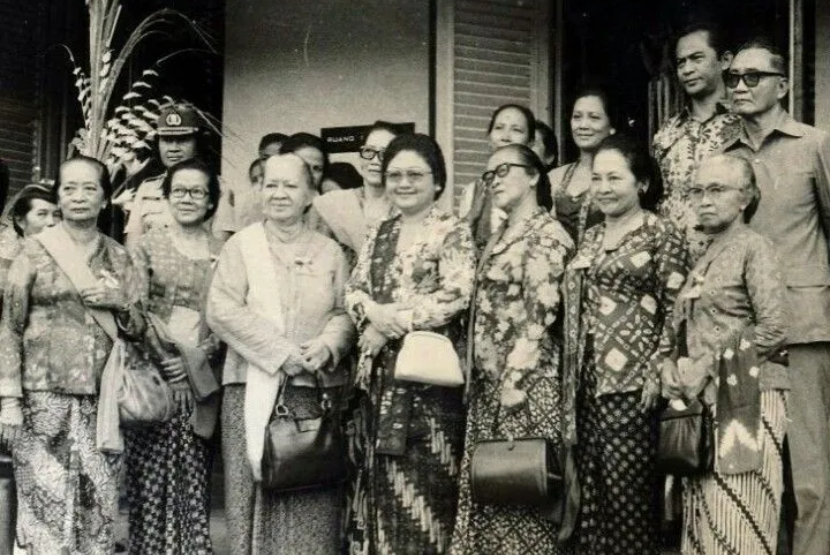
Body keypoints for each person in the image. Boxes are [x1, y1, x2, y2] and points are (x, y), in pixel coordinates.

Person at [207, 153, 355, 554]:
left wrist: (329, 344)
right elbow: (221, 308)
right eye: (271, 184)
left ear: (309, 195)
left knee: (308, 497)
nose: (279, 193)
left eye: (290, 185)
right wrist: (279, 352)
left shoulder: (330, 252)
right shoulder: (243, 246)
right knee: (249, 492)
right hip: (250, 387)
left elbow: (345, 311)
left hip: (312, 390)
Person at [0, 156, 144, 554]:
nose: (79, 197)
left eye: (89, 188)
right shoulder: (31, 252)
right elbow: (9, 327)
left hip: (103, 403)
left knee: (98, 507)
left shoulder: (118, 256)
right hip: (41, 401)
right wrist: (9, 401)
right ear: (59, 198)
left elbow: (139, 328)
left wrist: (118, 301)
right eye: (69, 188)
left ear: (104, 199)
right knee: (42, 507)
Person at [722, 38, 830, 555]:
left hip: (806, 326)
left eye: (752, 77)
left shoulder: (815, 145)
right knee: (755, 469)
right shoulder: (722, 158)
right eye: (733, 78)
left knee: (811, 474)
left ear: (782, 85)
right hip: (744, 335)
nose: (739, 86)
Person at [344, 133, 476, 554]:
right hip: (379, 384)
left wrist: (393, 321)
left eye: (415, 175)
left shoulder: (451, 231)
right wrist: (372, 314)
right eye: (395, 174)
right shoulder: (380, 231)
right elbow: (353, 290)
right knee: (378, 491)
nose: (403, 182)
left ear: (437, 181)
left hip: (428, 386)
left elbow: (456, 295)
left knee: (427, 492)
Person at [562, 134, 688, 555]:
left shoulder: (661, 232)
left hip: (634, 385)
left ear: (642, 184)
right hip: (587, 383)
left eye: (615, 178)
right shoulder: (591, 237)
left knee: (630, 498)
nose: (603, 188)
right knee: (592, 496)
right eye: (596, 178)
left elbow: (677, 307)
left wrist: (659, 366)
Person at [660, 154, 789, 554]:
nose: (704, 200)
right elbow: (682, 330)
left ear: (746, 197)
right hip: (706, 408)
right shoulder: (708, 255)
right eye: (697, 190)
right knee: (706, 521)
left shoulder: (755, 247)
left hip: (747, 400)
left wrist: (709, 367)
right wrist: (667, 364)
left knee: (738, 523)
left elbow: (775, 328)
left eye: (717, 190)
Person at [450, 144, 574, 553]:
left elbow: (542, 314)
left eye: (504, 170)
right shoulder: (498, 235)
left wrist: (515, 382)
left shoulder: (546, 233)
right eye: (489, 175)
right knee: (491, 492)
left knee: (522, 489)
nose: (495, 180)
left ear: (535, 176)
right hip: (490, 389)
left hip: (525, 388)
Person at [124, 158, 225, 554]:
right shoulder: (147, 247)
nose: (187, 198)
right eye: (179, 191)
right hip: (155, 383)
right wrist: (168, 360)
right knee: (149, 478)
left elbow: (230, 312)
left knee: (194, 477)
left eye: (197, 191)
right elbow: (134, 311)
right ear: (166, 197)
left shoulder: (224, 251)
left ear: (211, 201)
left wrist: (196, 359)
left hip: (202, 380)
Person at [0, 183, 59, 554]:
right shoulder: (10, 258)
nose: (51, 221)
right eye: (42, 214)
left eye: (56, 214)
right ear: (20, 221)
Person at [652, 23, 741, 260]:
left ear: (725, 61)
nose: (687, 69)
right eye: (681, 62)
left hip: (726, 261)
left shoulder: (745, 125)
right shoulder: (667, 132)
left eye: (696, 58)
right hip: (670, 261)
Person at [307, 120, 403, 265]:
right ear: (360, 156)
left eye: (385, 154)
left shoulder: (407, 211)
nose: (375, 160)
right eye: (369, 151)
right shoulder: (330, 205)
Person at [124, 103, 203, 249]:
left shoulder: (217, 188)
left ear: (197, 143)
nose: (173, 148)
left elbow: (218, 255)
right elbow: (133, 249)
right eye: (166, 140)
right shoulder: (147, 189)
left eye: (182, 140)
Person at [459, 104, 536, 249]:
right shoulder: (473, 191)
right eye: (499, 128)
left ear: (530, 143)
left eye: (516, 130)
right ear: (489, 138)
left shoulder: (536, 185)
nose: (505, 137)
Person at [549, 86, 617, 245]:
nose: (583, 125)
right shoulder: (554, 177)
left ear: (611, 126)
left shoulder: (620, 177)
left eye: (594, 117)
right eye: (577, 117)